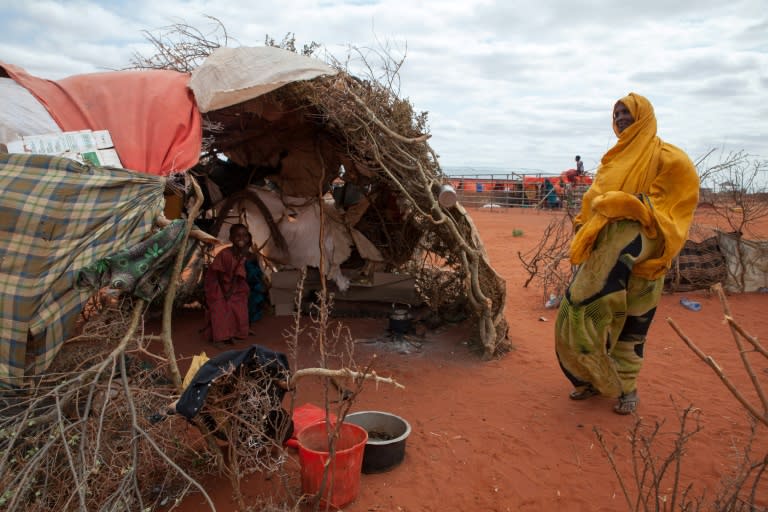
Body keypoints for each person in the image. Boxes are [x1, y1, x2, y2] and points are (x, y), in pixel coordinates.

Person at [555, 93, 699, 414]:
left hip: (644, 263)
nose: (620, 117)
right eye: (617, 113)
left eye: (627, 112)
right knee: (580, 318)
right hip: (603, 261)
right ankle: (589, 380)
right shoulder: (613, 160)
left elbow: (674, 205)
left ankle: (627, 390)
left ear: (643, 116)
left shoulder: (670, 158)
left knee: (632, 330)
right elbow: (592, 203)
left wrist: (631, 206)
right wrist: (585, 226)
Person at [204, 223, 252, 344]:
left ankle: (235, 332)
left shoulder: (243, 253)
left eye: (245, 235)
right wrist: (226, 291)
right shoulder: (225, 254)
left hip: (233, 285)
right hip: (217, 285)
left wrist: (231, 290)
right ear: (231, 238)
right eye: (238, 236)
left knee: (239, 305)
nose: (241, 238)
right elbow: (217, 274)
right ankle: (221, 337)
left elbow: (238, 274)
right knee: (221, 306)